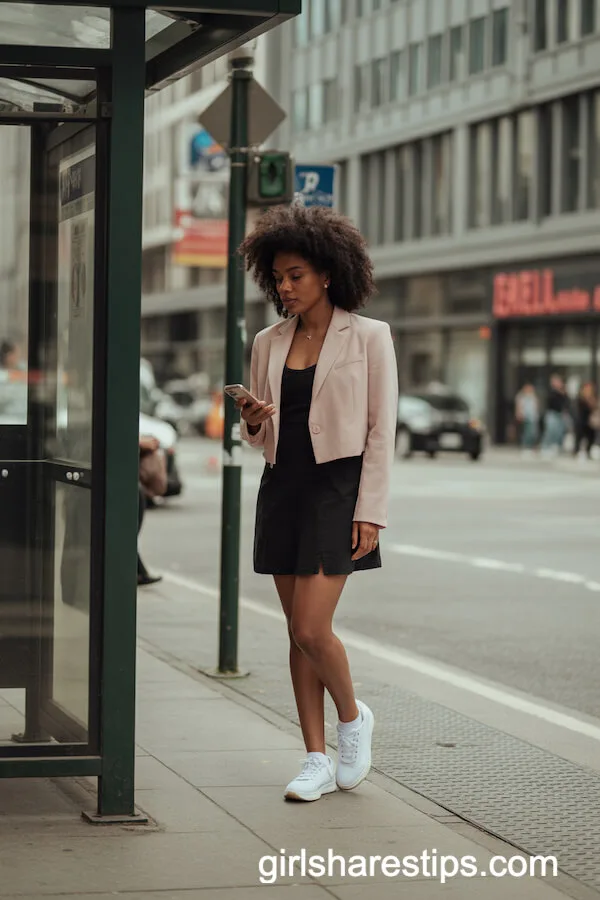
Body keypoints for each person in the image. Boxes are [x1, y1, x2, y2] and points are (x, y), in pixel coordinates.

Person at [237, 205, 398, 802]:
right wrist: (252, 422)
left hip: (339, 489)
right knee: (294, 632)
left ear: (327, 273)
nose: (284, 286)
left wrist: (371, 511)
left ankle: (353, 722)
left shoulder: (369, 336)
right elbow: (257, 439)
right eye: (277, 276)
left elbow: (382, 430)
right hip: (283, 488)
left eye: (295, 274)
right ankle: (314, 757)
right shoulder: (267, 341)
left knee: (312, 625)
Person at [541, 374, 569, 457]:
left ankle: (555, 446)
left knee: (559, 431)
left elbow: (566, 403)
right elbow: (550, 402)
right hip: (552, 413)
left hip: (560, 414)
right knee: (550, 430)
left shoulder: (563, 392)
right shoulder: (551, 392)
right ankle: (545, 447)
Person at [574, 382, 598, 460]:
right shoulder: (581, 398)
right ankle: (576, 451)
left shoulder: (593, 398)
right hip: (582, 421)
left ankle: (588, 451)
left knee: (591, 437)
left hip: (590, 422)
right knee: (580, 437)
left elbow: (595, 408)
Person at [514, 383, 539, 456]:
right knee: (527, 432)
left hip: (533, 417)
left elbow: (535, 407)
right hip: (526, 416)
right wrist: (519, 414)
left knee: (533, 433)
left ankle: (531, 447)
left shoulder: (533, 397)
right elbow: (519, 406)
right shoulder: (521, 396)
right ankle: (525, 446)